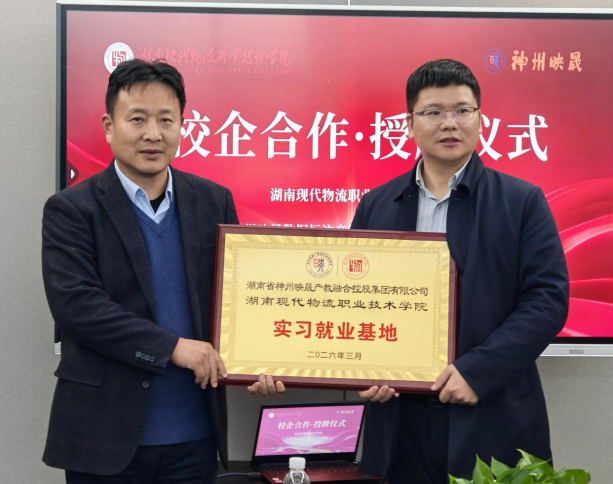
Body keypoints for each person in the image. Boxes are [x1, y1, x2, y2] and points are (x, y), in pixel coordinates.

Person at [42, 59, 283, 484]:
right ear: (109, 126)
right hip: (103, 434)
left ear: (182, 126)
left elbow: (240, 297)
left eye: (166, 120)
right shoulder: (71, 209)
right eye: (137, 119)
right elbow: (76, 306)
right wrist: (173, 347)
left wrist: (262, 357)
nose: (153, 133)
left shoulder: (213, 200)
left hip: (194, 435)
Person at [351, 59, 569, 483]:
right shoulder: (376, 205)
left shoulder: (522, 201)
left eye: (462, 110)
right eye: (433, 111)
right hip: (399, 423)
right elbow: (354, 300)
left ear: (480, 120)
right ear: (410, 124)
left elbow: (547, 301)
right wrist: (363, 368)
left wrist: (477, 371)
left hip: (491, 413)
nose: (449, 123)